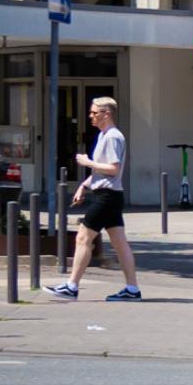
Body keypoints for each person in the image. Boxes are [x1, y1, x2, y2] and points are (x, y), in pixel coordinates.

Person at [46, 96, 141, 302]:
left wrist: (88, 162)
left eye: (94, 113)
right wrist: (84, 185)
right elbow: (103, 170)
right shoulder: (105, 135)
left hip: (107, 196)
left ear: (106, 114)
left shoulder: (112, 137)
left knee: (83, 238)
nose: (91, 116)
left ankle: (72, 286)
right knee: (119, 243)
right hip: (110, 195)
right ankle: (132, 289)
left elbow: (113, 169)